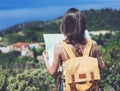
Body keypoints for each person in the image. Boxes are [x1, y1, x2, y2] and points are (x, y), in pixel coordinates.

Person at [42, 7, 105, 91]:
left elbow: (53, 73)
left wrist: (45, 59)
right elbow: (102, 67)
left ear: (65, 26)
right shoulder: (93, 45)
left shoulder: (59, 47)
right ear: (82, 26)